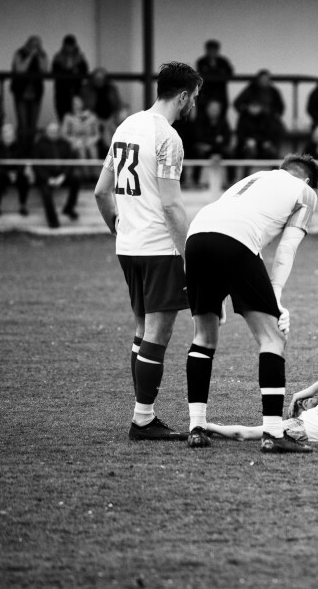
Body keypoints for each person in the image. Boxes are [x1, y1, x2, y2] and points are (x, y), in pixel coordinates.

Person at [93, 61, 203, 441]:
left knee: (142, 330)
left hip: (129, 245)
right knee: (158, 331)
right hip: (159, 247)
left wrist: (119, 229)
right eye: (195, 98)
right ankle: (142, 420)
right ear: (184, 95)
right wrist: (191, 257)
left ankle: (144, 414)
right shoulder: (167, 138)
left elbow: (101, 192)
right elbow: (172, 206)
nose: (194, 107)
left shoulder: (127, 126)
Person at [181, 154, 318, 453]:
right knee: (272, 338)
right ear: (308, 181)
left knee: (203, 337)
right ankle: (273, 433)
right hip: (236, 238)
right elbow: (286, 248)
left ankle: (197, 427)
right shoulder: (306, 192)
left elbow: (222, 225)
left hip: (196, 236)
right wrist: (276, 297)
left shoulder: (256, 177)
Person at [32, 121, 81, 227]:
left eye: (55, 131)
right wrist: (48, 179)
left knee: (76, 179)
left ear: (59, 132)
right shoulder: (39, 144)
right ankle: (53, 221)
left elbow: (70, 161)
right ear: (46, 132)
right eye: (50, 131)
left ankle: (69, 208)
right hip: (45, 178)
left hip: (61, 176)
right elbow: (36, 166)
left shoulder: (65, 143)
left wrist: (62, 177)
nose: (53, 134)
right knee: (45, 192)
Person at [10, 35, 49, 146]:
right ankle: (22, 148)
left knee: (33, 123)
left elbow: (45, 70)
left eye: (37, 45)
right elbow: (20, 69)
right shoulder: (20, 53)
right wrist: (31, 55)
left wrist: (39, 56)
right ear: (28, 44)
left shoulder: (42, 54)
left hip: (36, 91)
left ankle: (30, 148)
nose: (35, 47)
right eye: (32, 45)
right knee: (23, 123)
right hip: (21, 91)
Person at [233, 69, 286, 150]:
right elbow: (237, 104)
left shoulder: (274, 91)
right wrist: (247, 110)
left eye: (266, 80)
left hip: (268, 126)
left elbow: (280, 108)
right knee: (245, 147)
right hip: (249, 136)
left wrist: (273, 113)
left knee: (270, 146)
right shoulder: (250, 90)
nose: (264, 82)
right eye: (262, 79)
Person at [189, 99, 232, 187]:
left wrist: (213, 142)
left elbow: (227, 138)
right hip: (205, 148)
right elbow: (198, 137)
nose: (214, 112)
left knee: (230, 153)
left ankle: (231, 180)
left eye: (216, 109)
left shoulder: (223, 121)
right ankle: (195, 180)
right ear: (207, 109)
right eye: (212, 109)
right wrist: (215, 140)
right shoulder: (200, 120)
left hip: (218, 148)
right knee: (199, 152)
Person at [0, 122, 31, 216]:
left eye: (10, 132)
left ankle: (23, 205)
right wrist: (7, 173)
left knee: (24, 179)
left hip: (17, 173)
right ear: (1, 134)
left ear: (14, 135)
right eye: (5, 132)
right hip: (2, 173)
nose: (7, 134)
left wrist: (16, 172)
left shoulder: (20, 146)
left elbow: (23, 162)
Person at [80, 68, 123, 150]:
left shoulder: (111, 89)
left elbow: (117, 104)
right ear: (93, 79)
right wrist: (96, 119)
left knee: (116, 133)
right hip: (92, 118)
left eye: (101, 78)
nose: (99, 81)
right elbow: (84, 107)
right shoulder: (86, 89)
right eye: (97, 78)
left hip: (110, 118)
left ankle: (114, 155)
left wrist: (114, 117)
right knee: (103, 131)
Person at [61, 94, 101, 181]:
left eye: (78, 102)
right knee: (81, 150)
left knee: (92, 150)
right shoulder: (68, 117)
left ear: (83, 103)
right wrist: (73, 140)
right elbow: (63, 134)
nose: (76, 105)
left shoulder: (92, 116)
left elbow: (97, 134)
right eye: (74, 103)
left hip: (89, 141)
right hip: (75, 141)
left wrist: (92, 140)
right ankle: (85, 177)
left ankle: (95, 176)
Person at [51, 34, 89, 121]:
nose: (69, 48)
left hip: (76, 90)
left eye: (71, 45)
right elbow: (55, 72)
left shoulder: (80, 58)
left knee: (77, 113)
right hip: (61, 91)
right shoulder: (58, 57)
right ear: (64, 46)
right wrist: (71, 71)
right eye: (67, 45)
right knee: (62, 114)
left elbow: (85, 72)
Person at [195, 39, 234, 118]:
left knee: (222, 116)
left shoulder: (223, 61)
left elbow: (230, 74)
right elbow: (200, 75)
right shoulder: (201, 61)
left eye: (214, 50)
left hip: (220, 93)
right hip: (205, 93)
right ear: (207, 50)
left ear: (217, 50)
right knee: (202, 116)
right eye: (210, 50)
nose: (212, 52)